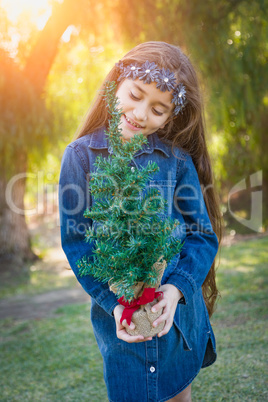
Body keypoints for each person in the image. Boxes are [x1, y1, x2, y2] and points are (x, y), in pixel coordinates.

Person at [58, 41, 222, 402]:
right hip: (120, 319)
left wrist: (176, 289)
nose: (141, 113)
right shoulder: (80, 158)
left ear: (171, 116)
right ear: (116, 83)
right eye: (135, 94)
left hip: (175, 315)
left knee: (179, 393)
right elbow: (77, 242)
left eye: (158, 109)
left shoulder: (177, 162)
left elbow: (202, 234)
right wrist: (114, 305)